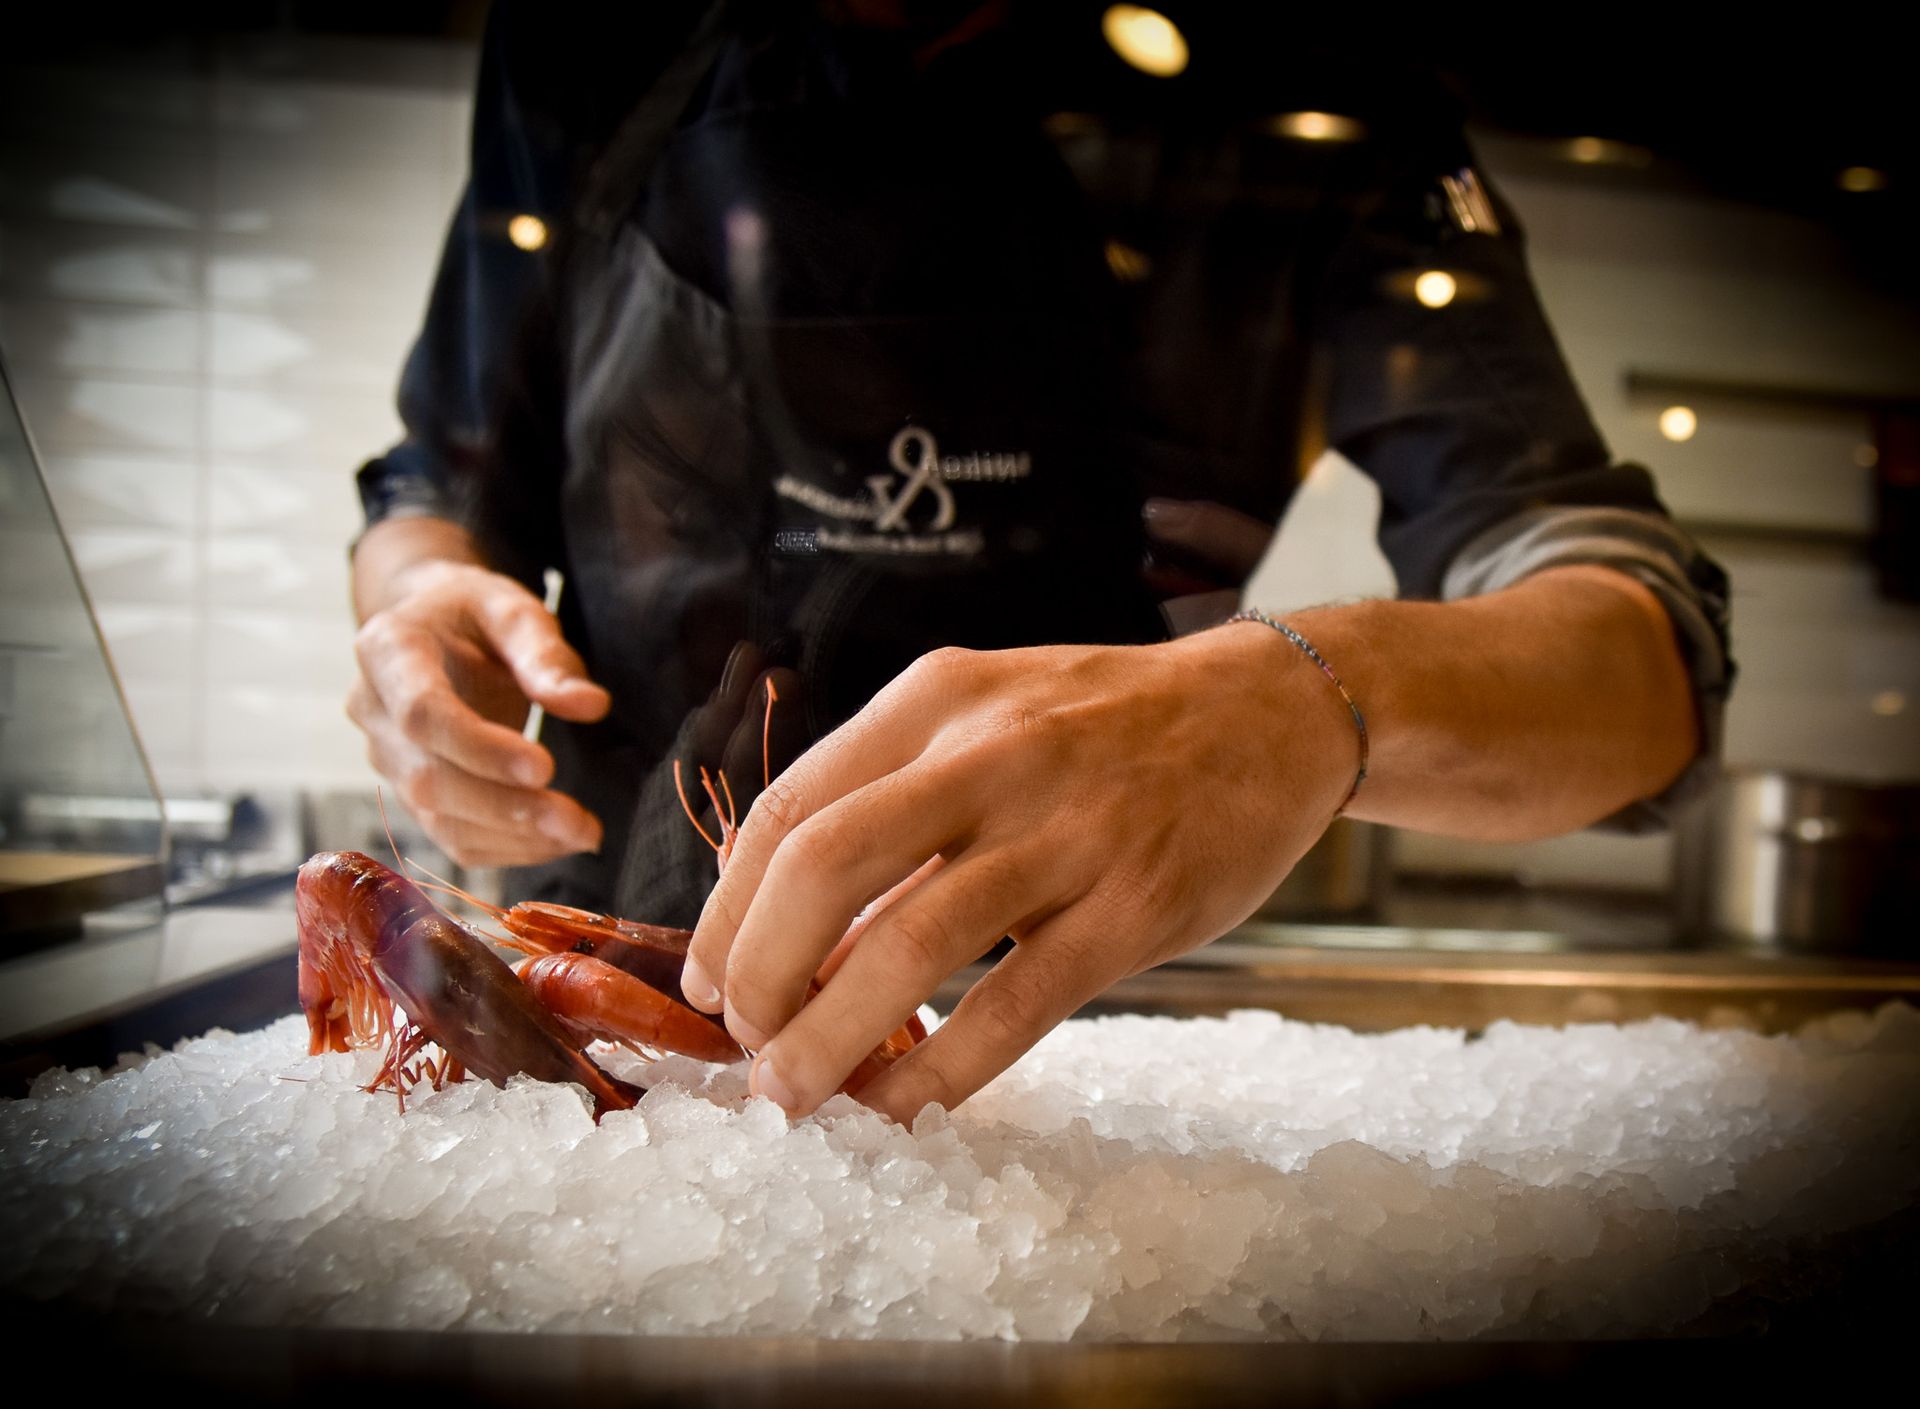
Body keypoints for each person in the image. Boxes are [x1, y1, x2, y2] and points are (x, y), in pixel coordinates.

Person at [348, 2, 1731, 1124]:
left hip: (1066, 1066)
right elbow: (441, 486)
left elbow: (1646, 657)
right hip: (614, 1049)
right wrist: (422, 599)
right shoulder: (587, 33)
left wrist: (1301, 698)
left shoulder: (1325, 74)